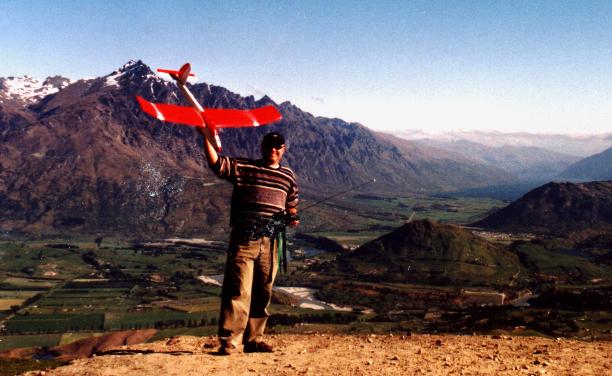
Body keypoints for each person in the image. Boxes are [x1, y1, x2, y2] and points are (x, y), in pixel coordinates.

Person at [199, 127, 299, 355]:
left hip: (272, 241)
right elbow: (217, 164)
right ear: (262, 147)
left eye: (278, 146)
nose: (273, 150)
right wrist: (205, 136)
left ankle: (253, 340)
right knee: (239, 289)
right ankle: (229, 342)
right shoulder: (244, 167)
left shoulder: (288, 176)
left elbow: (291, 204)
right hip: (245, 239)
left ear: (283, 150)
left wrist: (292, 217)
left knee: (263, 290)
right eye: (269, 146)